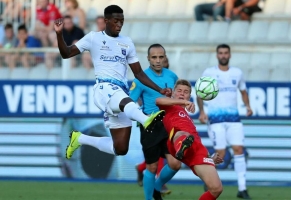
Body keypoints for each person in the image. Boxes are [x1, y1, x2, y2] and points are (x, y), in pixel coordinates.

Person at [54, 5, 171, 159]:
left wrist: (159, 89)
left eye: (122, 21)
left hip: (120, 94)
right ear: (106, 20)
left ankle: (80, 138)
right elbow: (66, 53)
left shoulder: (127, 42)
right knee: (128, 104)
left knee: (121, 148)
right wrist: (59, 34)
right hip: (103, 89)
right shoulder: (93, 38)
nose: (119, 25)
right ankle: (145, 120)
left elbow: (139, 73)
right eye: (116, 21)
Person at [197, 44, 253, 199]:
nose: (223, 55)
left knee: (238, 150)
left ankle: (242, 189)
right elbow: (200, 93)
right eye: (220, 53)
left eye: (225, 53)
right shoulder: (209, 72)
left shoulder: (237, 73)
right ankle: (209, 179)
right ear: (217, 55)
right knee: (220, 153)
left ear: (230, 55)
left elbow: (243, 91)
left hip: (234, 119)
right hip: (215, 119)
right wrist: (202, 111)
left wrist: (248, 106)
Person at [156, 79, 223, 200]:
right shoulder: (170, 106)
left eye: (186, 92)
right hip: (176, 140)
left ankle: (184, 148)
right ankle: (181, 147)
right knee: (184, 134)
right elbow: (158, 100)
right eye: (179, 91)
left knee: (216, 189)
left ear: (189, 96)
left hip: (195, 148)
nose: (182, 94)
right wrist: (182, 102)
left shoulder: (188, 118)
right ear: (173, 93)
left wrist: (210, 158)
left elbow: (196, 141)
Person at [130, 44, 180, 200]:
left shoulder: (172, 76)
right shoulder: (140, 79)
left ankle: (157, 188)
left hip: (169, 124)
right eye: (154, 57)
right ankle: (149, 198)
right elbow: (130, 102)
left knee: (175, 164)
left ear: (165, 57)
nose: (158, 61)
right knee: (151, 166)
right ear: (148, 58)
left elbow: (177, 99)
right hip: (150, 125)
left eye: (160, 57)